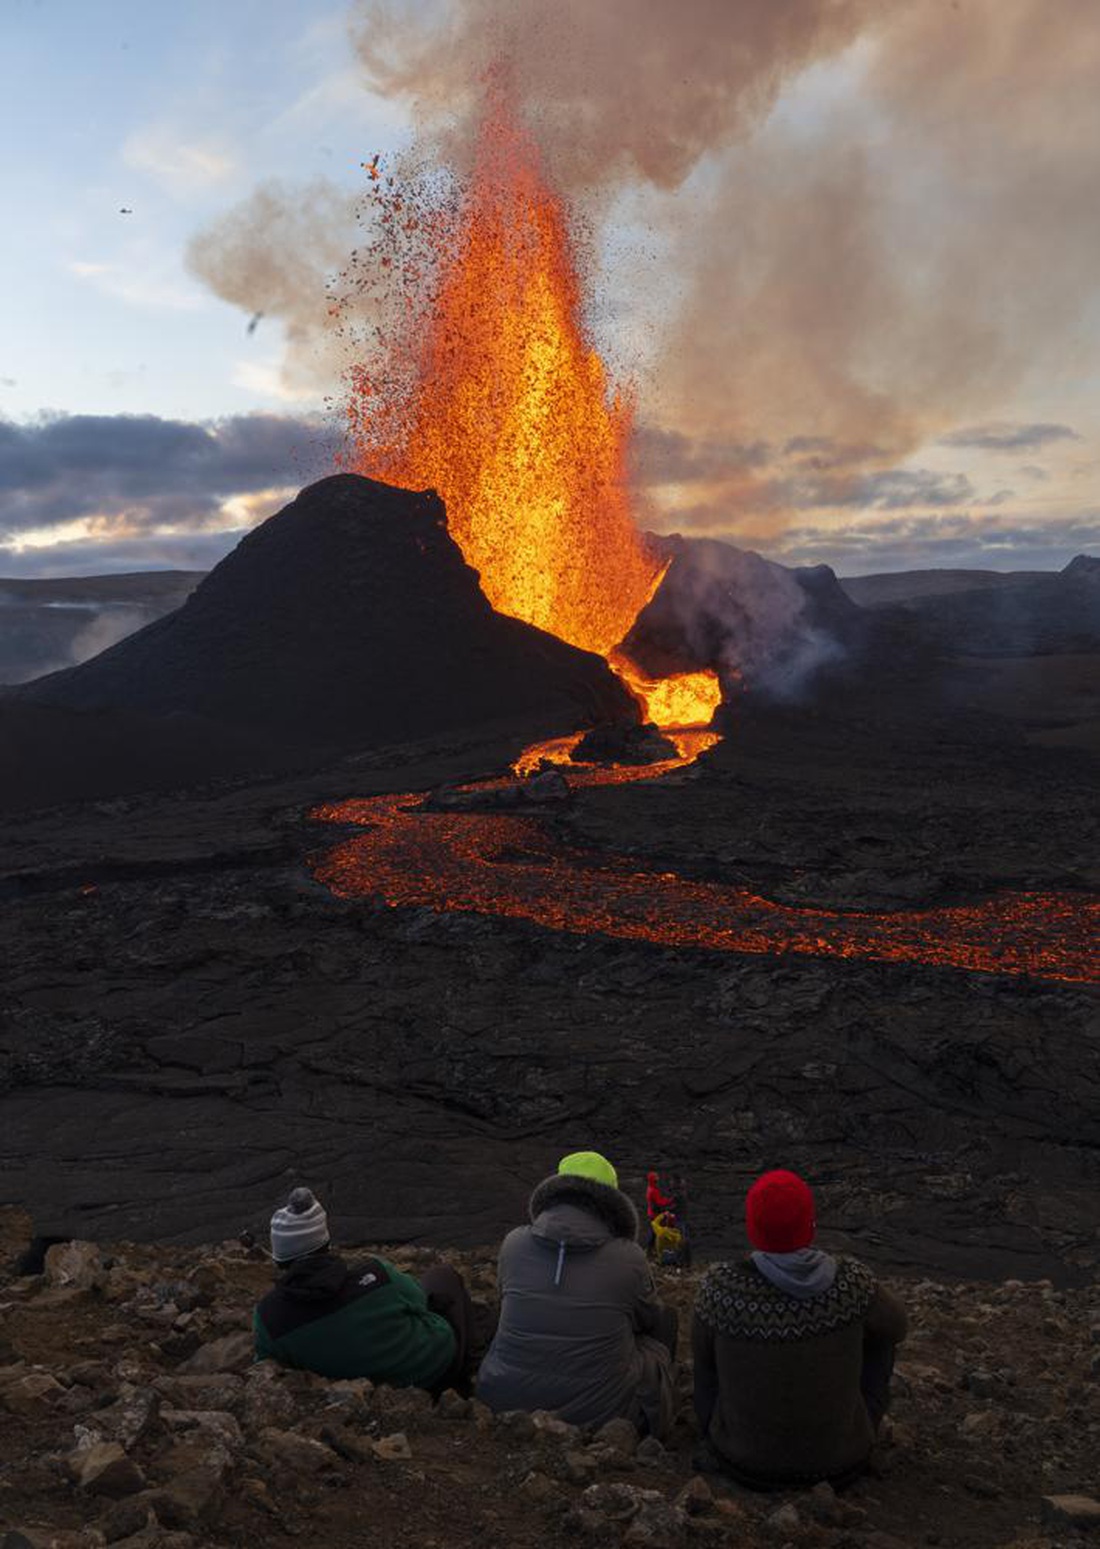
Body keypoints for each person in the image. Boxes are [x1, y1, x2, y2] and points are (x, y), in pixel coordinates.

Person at [692, 1169, 908, 1490]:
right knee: (881, 1337)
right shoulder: (851, 1284)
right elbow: (898, 1327)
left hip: (742, 1463)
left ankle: (722, 1433)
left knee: (709, 1351)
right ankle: (856, 1428)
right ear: (810, 1223)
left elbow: (704, 1366)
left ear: (752, 1226)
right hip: (842, 1463)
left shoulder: (721, 1288)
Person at [477, 1151, 678, 1436]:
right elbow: (649, 1320)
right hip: (603, 1416)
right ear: (612, 1199)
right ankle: (661, 1423)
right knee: (663, 1322)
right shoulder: (628, 1258)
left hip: (502, 1400)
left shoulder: (513, 1244)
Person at [253, 1186, 476, 1394]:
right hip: (434, 1366)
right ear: (326, 1244)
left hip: (367, 1396)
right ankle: (473, 1370)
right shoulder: (378, 1274)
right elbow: (420, 1300)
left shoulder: (268, 1319)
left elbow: (268, 1367)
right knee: (442, 1277)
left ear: (279, 1261)